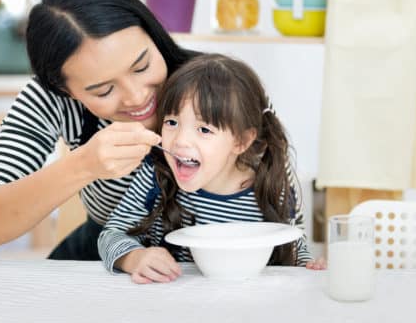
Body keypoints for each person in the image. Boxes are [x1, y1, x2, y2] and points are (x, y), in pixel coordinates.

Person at [0, 0, 201, 260]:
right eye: (104, 90)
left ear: (153, 33)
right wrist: (83, 165)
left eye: (141, 66)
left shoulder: (219, 83)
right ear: (64, 89)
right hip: (101, 257)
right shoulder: (51, 99)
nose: (135, 97)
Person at [99, 54, 326, 283]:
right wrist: (134, 257)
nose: (180, 141)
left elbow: (293, 246)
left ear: (241, 141)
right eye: (172, 123)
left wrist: (308, 265)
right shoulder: (156, 175)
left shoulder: (270, 182)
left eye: (204, 130)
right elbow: (110, 236)